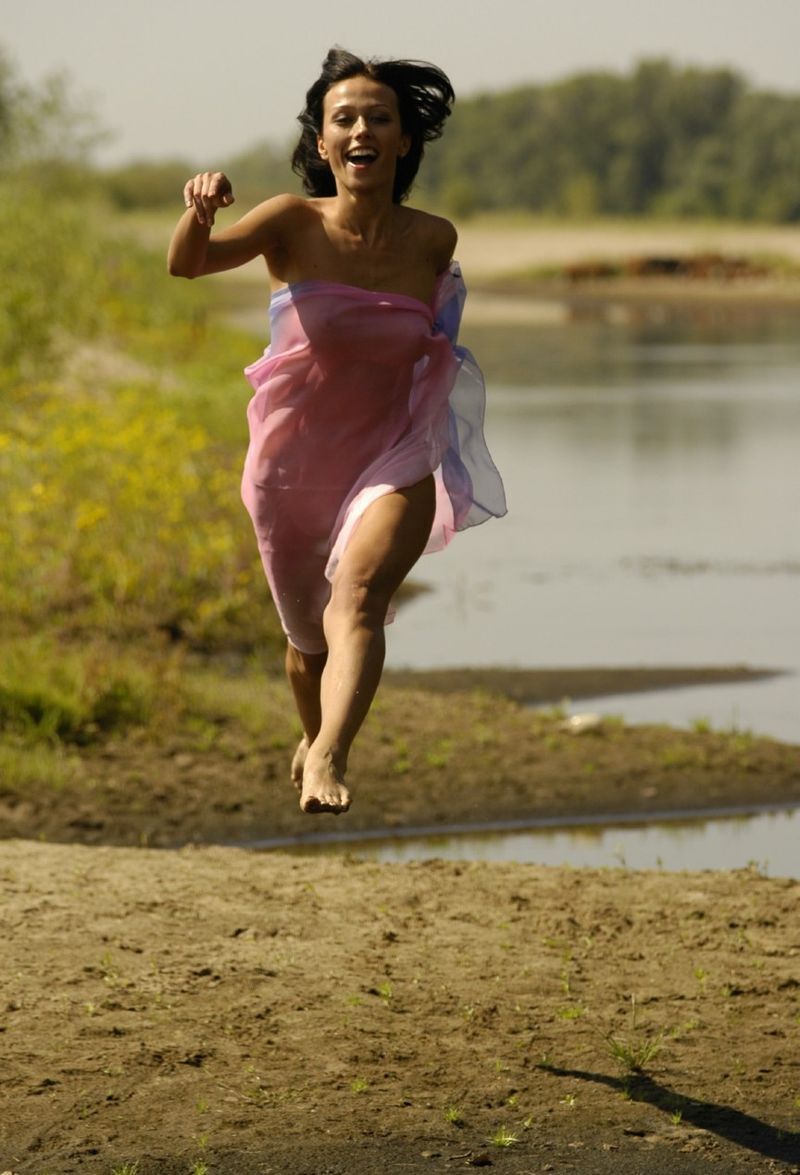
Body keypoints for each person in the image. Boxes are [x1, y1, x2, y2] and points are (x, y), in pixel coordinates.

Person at [168, 47, 506, 817]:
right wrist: (199, 211)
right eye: (343, 119)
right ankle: (313, 731)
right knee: (306, 648)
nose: (361, 130)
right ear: (321, 144)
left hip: (393, 450)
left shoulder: (433, 241)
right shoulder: (291, 222)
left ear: (404, 140)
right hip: (291, 469)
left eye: (378, 118)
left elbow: (437, 347)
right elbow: (189, 266)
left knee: (356, 600)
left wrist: (432, 445)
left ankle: (328, 750)